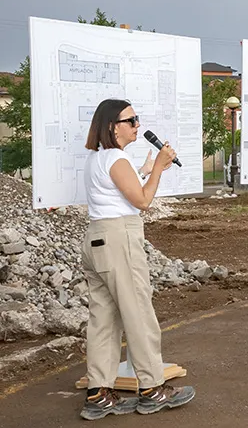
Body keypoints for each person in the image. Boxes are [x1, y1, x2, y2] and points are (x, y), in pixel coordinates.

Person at [80, 99, 195, 421]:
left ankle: (99, 393)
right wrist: (157, 168)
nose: (137, 126)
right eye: (131, 120)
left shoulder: (98, 158)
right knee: (138, 314)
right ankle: (152, 388)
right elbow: (143, 201)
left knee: (103, 320)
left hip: (97, 238)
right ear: (113, 126)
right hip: (119, 239)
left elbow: (119, 188)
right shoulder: (116, 157)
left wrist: (145, 169)